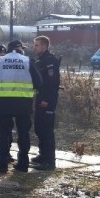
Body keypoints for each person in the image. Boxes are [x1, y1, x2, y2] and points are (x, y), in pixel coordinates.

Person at [0, 40, 42, 173]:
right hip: (24, 103)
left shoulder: (0, 61)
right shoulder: (27, 61)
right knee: (23, 134)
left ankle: (2, 164)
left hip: (4, 103)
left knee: (4, 134)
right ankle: (23, 164)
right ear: (20, 49)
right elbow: (39, 82)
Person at [31, 35, 61, 171]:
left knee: (47, 130)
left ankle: (50, 161)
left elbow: (52, 83)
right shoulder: (41, 60)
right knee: (39, 128)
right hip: (40, 97)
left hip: (47, 100)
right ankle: (42, 155)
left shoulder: (50, 61)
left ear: (44, 46)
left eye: (37, 45)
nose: (35, 47)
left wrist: (46, 100)